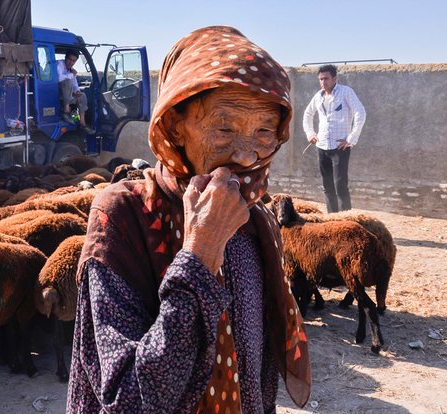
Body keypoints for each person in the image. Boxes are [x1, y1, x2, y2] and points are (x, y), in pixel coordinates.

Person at [66, 26, 311, 414]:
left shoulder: (257, 220)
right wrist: (200, 253)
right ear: (175, 125)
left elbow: (256, 369)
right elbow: (127, 399)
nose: (247, 157)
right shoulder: (123, 216)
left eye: (265, 130)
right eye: (224, 128)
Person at [302, 64, 366, 213]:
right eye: (321, 79)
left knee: (340, 185)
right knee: (327, 186)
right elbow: (307, 114)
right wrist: (310, 133)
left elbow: (360, 113)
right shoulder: (318, 96)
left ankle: (346, 220)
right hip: (322, 146)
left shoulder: (346, 92)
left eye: (326, 79)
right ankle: (332, 218)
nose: (323, 82)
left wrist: (351, 138)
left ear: (335, 78)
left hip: (340, 147)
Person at [57, 51, 94, 134]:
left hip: (67, 95)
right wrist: (71, 75)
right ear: (65, 58)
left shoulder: (71, 70)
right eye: (69, 59)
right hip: (56, 93)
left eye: (74, 61)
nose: (71, 62)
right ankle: (66, 111)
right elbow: (59, 78)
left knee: (82, 96)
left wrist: (77, 91)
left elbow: (75, 85)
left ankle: (83, 123)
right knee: (67, 81)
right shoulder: (59, 64)